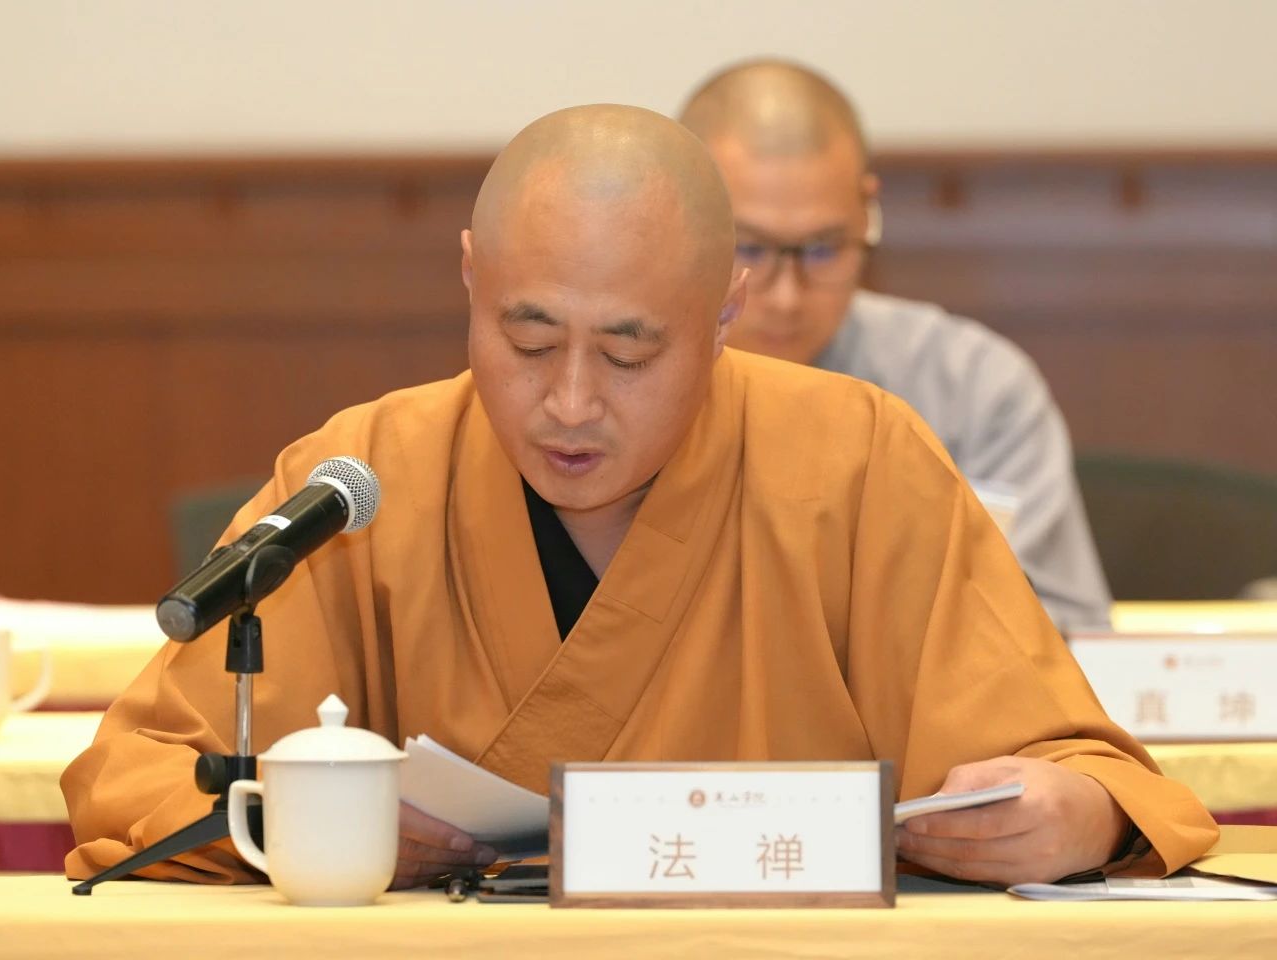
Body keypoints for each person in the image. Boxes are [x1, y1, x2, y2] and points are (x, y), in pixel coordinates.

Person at [62, 105, 1215, 891]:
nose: (568, 404)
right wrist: (305, 822)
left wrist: (1069, 816)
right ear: (469, 276)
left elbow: (1083, 771)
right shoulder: (364, 474)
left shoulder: (859, 460)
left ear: (723, 312)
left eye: (629, 353)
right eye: (527, 340)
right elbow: (138, 772)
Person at [679, 61, 1112, 631]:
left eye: (823, 249)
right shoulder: (619, 386)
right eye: (750, 249)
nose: (785, 298)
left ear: (866, 211)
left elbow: (1062, 630)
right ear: (679, 219)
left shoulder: (974, 389)